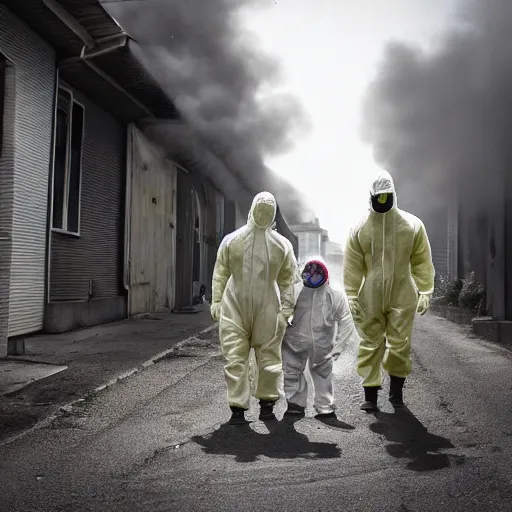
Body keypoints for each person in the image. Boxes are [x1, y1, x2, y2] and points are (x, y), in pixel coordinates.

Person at [343, 169, 435, 411]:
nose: (382, 201)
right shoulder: (360, 227)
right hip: (369, 294)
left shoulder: (412, 225)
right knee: (370, 343)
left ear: (393, 194)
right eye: (379, 197)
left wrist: (425, 290)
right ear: (371, 196)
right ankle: (370, 396)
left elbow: (421, 260)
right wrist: (351, 294)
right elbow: (352, 264)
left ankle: (396, 394)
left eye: (386, 196)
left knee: (399, 343)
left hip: (402, 292)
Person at [210, 191, 298, 425]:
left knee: (268, 359)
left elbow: (288, 279)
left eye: (268, 211)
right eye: (262, 209)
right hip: (235, 306)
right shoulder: (233, 241)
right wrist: (217, 301)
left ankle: (266, 404)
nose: (263, 214)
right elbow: (221, 272)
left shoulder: (281, 245)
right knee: (235, 358)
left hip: (266, 306)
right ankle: (238, 408)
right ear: (253, 209)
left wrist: (287, 310)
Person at [282, 257, 358, 421]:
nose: (313, 276)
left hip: (321, 345)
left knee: (323, 373)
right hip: (294, 342)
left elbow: (345, 320)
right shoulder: (294, 292)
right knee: (291, 372)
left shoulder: (333, 297)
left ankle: (325, 408)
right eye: (310, 273)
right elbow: (281, 312)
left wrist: (339, 346)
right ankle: (295, 405)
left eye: (317, 273)